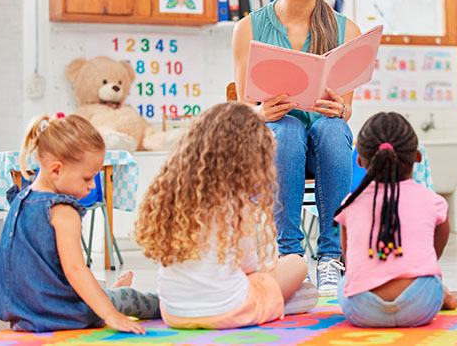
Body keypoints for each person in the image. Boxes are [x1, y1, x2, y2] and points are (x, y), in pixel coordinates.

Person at [231, 0, 362, 296]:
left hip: (326, 146)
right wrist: (260, 113)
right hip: (274, 145)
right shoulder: (248, 28)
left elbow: (346, 110)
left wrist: (340, 110)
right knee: (286, 128)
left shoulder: (345, 28)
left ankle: (331, 257)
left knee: (332, 129)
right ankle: (291, 257)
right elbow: (243, 111)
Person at [133, 102, 318, 329]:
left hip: (174, 312)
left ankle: (276, 301)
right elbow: (248, 264)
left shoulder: (173, 194)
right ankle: (279, 304)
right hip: (229, 311)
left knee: (260, 276)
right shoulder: (232, 200)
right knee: (297, 263)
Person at [0, 113, 158, 333]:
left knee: (95, 286)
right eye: (87, 178)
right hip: (60, 313)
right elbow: (75, 270)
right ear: (56, 169)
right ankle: (170, 304)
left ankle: (108, 292)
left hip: (21, 312)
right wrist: (110, 315)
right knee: (132, 299)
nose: (91, 186)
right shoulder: (62, 211)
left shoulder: (19, 200)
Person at [333, 112, 457, 328]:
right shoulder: (432, 201)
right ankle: (442, 295)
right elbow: (432, 255)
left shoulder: (349, 204)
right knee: (431, 278)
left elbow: (350, 262)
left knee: (345, 282)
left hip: (362, 310)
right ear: (418, 157)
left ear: (360, 161)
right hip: (421, 305)